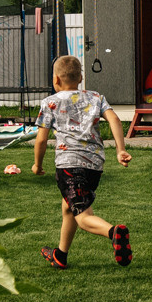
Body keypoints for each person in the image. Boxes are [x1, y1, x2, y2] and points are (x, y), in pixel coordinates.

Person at [31, 54, 133, 269]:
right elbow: (114, 119)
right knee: (69, 208)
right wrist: (120, 149)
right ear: (81, 78)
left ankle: (114, 233)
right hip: (94, 165)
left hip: (69, 165)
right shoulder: (96, 97)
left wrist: (37, 165)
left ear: (56, 80)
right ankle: (60, 255)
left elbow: (41, 140)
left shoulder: (50, 102)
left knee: (83, 215)